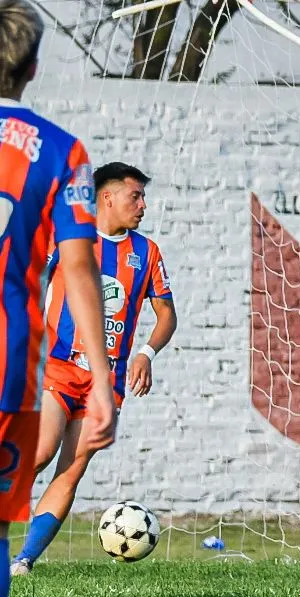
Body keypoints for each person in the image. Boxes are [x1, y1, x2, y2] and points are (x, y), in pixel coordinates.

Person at [0, 1, 116, 593]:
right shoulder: (60, 151)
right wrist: (102, 378)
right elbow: (78, 269)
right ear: (34, 67)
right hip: (9, 359)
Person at [11, 162, 176, 575]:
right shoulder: (66, 237)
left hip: (107, 381)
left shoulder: (147, 252)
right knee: (41, 451)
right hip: (57, 367)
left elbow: (167, 314)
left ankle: (24, 561)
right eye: (135, 196)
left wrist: (147, 353)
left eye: (142, 197)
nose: (143, 206)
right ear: (107, 196)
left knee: (72, 468)